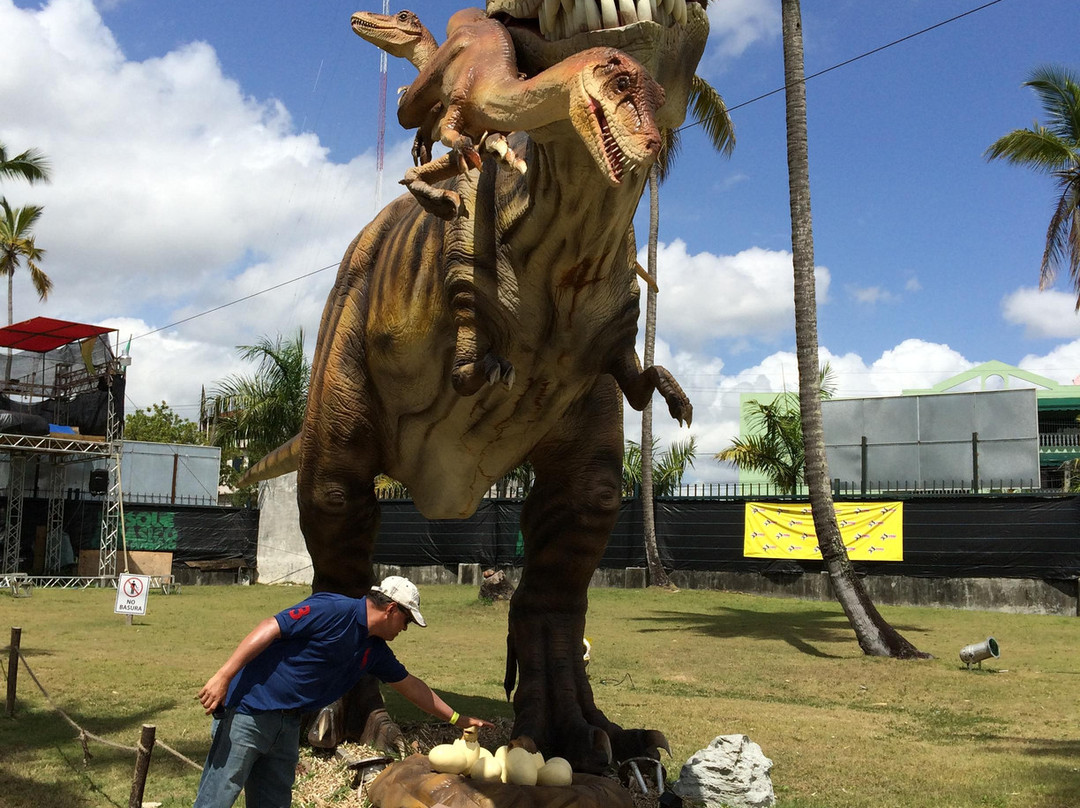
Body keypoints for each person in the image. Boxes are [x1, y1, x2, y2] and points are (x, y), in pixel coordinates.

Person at [193, 575, 492, 808]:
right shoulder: (333, 609)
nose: (406, 629)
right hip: (250, 712)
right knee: (217, 797)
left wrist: (457, 719)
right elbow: (271, 626)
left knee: (273, 802)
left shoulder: (374, 649)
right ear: (390, 609)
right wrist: (224, 675)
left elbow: (411, 686)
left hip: (288, 725)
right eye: (407, 620)